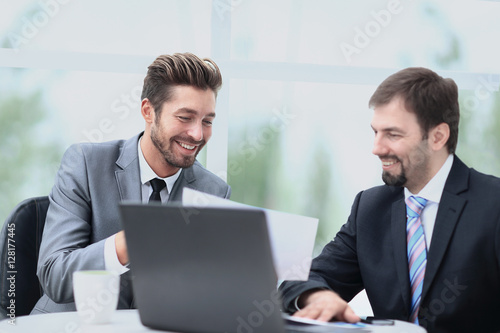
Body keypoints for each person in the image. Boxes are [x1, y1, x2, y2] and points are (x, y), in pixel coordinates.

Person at [279, 67, 500, 333]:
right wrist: (318, 296)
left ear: (438, 136)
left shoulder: (493, 205)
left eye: (393, 135)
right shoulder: (370, 209)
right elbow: (302, 279)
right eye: (375, 132)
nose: (377, 148)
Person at [32, 53, 231, 314]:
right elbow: (54, 276)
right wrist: (129, 243)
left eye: (207, 121)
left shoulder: (213, 191)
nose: (197, 134)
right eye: (185, 117)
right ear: (148, 111)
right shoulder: (86, 164)